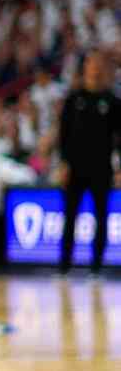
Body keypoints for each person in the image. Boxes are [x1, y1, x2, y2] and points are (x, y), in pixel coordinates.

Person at [58, 51, 121, 276]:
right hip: (74, 167)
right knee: (70, 216)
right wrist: (63, 164)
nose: (95, 68)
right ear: (84, 67)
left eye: (99, 63)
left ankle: (96, 267)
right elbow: (63, 135)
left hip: (101, 168)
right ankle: (64, 266)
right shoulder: (74, 99)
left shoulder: (112, 101)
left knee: (101, 216)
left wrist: (119, 168)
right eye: (91, 63)